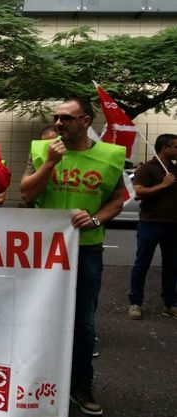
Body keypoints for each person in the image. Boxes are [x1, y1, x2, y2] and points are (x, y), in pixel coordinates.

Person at [20, 98, 126, 416]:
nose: (60, 123)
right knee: (36, 317)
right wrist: (49, 164)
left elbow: (119, 199)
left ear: (85, 120)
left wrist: (96, 219)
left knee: (82, 322)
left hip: (86, 250)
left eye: (67, 118)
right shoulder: (42, 151)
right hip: (43, 251)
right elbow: (26, 193)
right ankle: (34, 382)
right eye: (57, 118)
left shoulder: (109, 157)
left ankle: (81, 385)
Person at [127, 133, 177, 320]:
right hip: (150, 224)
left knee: (172, 266)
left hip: (172, 226)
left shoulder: (174, 170)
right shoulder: (147, 169)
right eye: (176, 147)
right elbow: (138, 193)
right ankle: (135, 302)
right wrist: (163, 185)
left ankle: (170, 304)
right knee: (142, 265)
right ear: (165, 148)